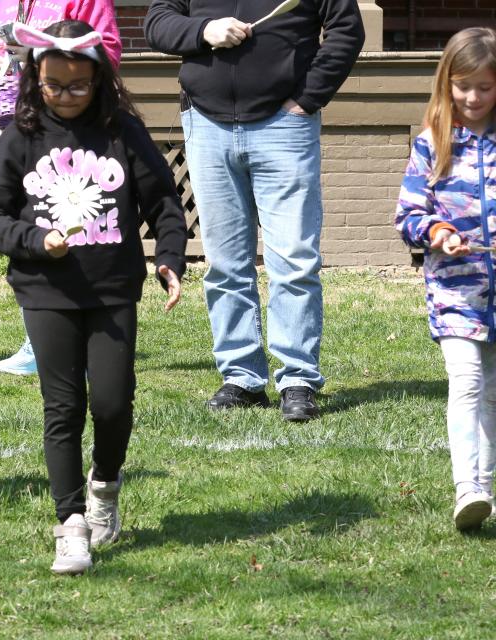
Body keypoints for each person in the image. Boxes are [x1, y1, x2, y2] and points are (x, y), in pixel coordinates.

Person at [0, 21, 187, 574]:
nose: (65, 97)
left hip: (112, 287)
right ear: (34, 78)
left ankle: (106, 486)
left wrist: (169, 257)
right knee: (62, 408)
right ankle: (70, 524)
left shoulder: (123, 132)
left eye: (77, 86)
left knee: (113, 403)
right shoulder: (20, 136)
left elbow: (163, 200)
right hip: (46, 290)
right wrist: (34, 242)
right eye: (53, 86)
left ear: (100, 80)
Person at [144, 0, 364, 421]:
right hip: (206, 125)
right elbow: (157, 22)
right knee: (225, 263)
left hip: (285, 125)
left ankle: (297, 379)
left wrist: (306, 98)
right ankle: (241, 377)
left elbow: (346, 30)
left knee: (294, 260)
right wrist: (204, 31)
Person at [0, 0, 121, 377]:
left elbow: (110, 52)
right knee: (28, 230)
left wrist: (47, 56)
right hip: (13, 126)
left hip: (68, 127)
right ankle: (39, 339)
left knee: (73, 229)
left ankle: (81, 337)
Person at [395, 27, 496, 531]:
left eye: (485, 86)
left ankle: (484, 487)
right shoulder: (432, 144)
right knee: (467, 380)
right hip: (455, 290)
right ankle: (468, 487)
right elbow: (408, 214)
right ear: (446, 85)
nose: (473, 97)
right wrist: (436, 230)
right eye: (463, 86)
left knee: (492, 391)